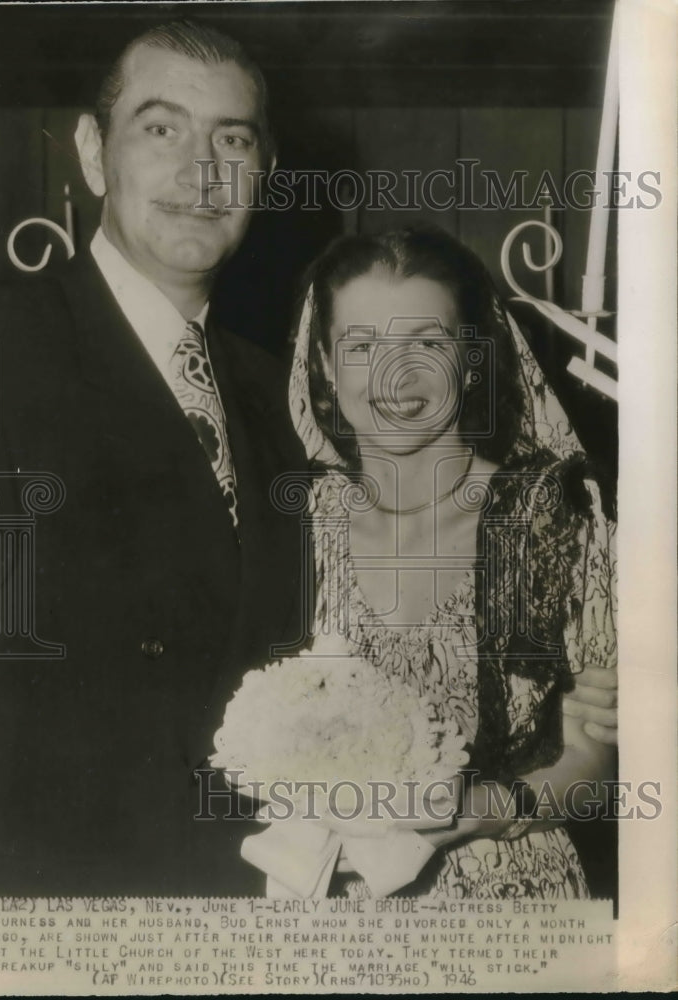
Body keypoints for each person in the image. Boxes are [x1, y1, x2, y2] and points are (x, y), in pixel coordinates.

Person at [0, 19, 306, 899]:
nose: (204, 172)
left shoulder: (287, 397)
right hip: (46, 907)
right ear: (92, 151)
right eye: (162, 129)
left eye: (232, 138)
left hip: (244, 906)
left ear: (261, 173)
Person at [288, 225, 617, 898]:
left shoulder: (546, 519)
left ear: (471, 358)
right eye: (362, 345)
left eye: (427, 344)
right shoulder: (294, 524)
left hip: (511, 900)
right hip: (321, 901)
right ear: (322, 361)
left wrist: (483, 811)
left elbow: (597, 756)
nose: (394, 376)